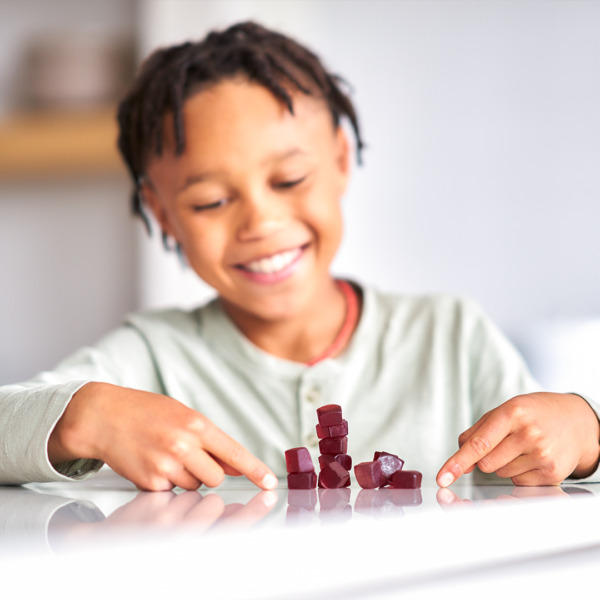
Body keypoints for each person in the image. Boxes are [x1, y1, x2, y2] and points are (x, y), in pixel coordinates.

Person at [1, 22, 598, 491]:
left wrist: (586, 433)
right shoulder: (152, 359)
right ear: (162, 213)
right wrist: (86, 414)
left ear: (340, 160)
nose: (261, 222)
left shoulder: (450, 337)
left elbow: (550, 460)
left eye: (288, 180)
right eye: (210, 201)